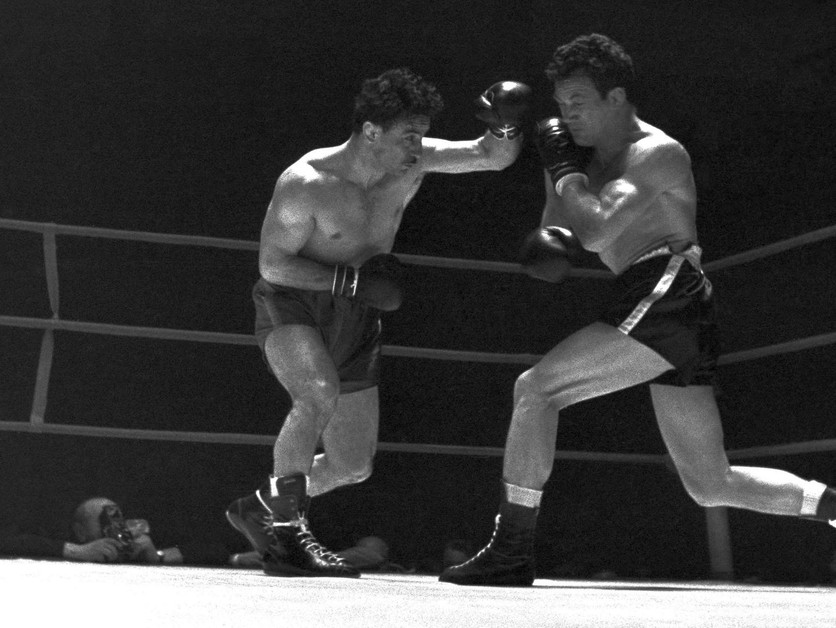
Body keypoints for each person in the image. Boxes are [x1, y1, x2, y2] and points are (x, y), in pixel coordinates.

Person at [439, 33, 836, 586]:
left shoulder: (657, 153)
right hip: (662, 298)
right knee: (709, 482)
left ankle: (511, 549)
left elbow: (599, 223)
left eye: (579, 101)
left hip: (666, 285)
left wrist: (567, 172)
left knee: (537, 388)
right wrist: (553, 166)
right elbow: (560, 234)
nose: (568, 113)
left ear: (616, 97)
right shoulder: (585, 159)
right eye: (560, 104)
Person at [225, 67, 532, 578]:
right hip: (293, 303)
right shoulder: (307, 183)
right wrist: (351, 282)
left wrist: (505, 125)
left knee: (351, 464)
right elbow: (273, 264)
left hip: (357, 313)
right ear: (371, 132)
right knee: (316, 394)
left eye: (421, 132)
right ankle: (286, 540)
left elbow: (490, 157)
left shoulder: (411, 164)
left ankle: (259, 505)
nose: (419, 144)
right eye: (408, 134)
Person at [0, 496, 255, 566]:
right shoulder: (60, 545)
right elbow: (13, 542)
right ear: (80, 531)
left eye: (118, 519)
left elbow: (208, 547)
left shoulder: (131, 543)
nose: (115, 528)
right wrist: (77, 551)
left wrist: (157, 556)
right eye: (104, 521)